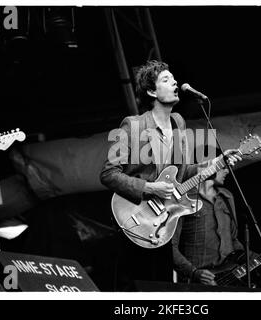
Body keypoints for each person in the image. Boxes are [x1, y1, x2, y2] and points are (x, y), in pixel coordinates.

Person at [100, 60, 241, 289]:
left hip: (162, 226)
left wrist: (214, 163)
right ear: (151, 91)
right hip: (136, 218)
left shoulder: (178, 124)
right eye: (166, 79)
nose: (175, 81)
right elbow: (108, 174)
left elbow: (182, 174)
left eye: (174, 78)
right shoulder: (132, 125)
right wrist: (150, 188)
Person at [172, 166, 261, 287]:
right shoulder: (183, 200)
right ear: (208, 167)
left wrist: (256, 258)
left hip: (228, 279)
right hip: (194, 283)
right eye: (223, 167)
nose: (227, 171)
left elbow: (233, 241)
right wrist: (194, 272)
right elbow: (171, 247)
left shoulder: (227, 197)